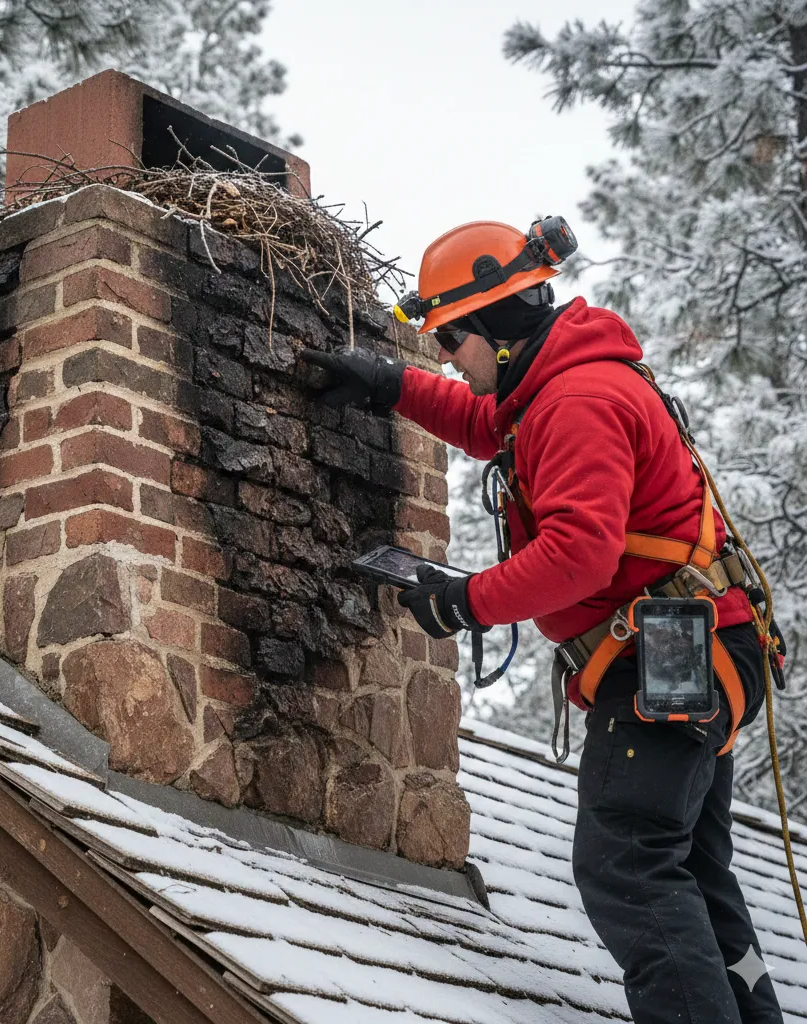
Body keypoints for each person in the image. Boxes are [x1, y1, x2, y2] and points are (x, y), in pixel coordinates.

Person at [300, 219, 784, 1024]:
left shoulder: (579, 401)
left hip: (671, 650)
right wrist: (388, 384)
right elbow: (487, 426)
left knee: (627, 861)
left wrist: (464, 602)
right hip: (696, 647)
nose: (447, 355)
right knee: (689, 869)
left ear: (492, 324)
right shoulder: (554, 387)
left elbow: (580, 554)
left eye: (451, 337)